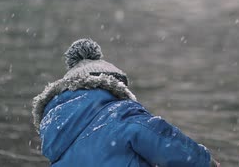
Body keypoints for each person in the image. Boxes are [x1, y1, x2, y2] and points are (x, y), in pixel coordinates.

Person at [32, 38, 219, 167]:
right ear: (114, 85)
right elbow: (165, 142)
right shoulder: (120, 114)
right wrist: (205, 162)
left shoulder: (55, 133)